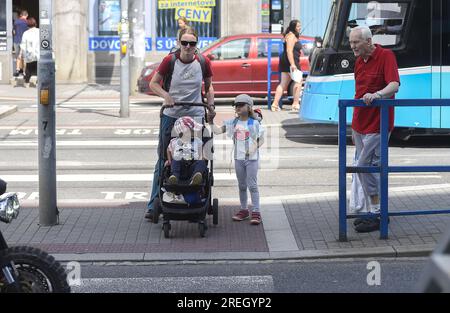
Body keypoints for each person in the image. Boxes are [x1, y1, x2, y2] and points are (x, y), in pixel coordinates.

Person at [145, 27, 215, 221]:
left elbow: (209, 88)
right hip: (172, 115)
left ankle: (196, 200)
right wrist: (166, 95)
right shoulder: (170, 61)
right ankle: (153, 204)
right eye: (184, 43)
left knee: (198, 155)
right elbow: (154, 83)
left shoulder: (203, 62)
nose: (187, 47)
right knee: (164, 159)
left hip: (195, 114)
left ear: (196, 45)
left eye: (191, 44)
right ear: (178, 43)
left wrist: (210, 107)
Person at [349, 26, 400, 233]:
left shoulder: (386, 56)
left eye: (355, 42)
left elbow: (394, 85)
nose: (352, 46)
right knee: (365, 168)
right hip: (360, 123)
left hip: (378, 124)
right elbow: (358, 92)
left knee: (365, 167)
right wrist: (353, 126)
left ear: (368, 41)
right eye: (351, 42)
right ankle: (373, 211)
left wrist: (378, 94)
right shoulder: (359, 61)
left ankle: (379, 212)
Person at [213, 94, 265, 225]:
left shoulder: (254, 123)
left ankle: (256, 211)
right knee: (242, 185)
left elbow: (261, 139)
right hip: (238, 159)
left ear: (249, 107)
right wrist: (210, 121)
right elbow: (218, 131)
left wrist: (253, 148)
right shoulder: (233, 122)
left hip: (251, 159)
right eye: (236, 105)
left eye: (241, 105)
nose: (237, 107)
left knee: (252, 185)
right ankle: (244, 209)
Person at [271, 19, 303, 112]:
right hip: (291, 61)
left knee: (283, 84)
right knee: (298, 81)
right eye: (298, 26)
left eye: (300, 26)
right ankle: (296, 104)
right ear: (293, 27)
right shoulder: (291, 36)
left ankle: (275, 105)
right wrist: (293, 64)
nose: (299, 28)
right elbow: (289, 51)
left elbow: (293, 49)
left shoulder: (291, 35)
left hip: (286, 61)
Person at [166, 116, 206, 186]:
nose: (195, 131)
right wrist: (169, 160)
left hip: (192, 165)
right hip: (180, 167)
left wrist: (201, 157)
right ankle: (175, 177)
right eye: (193, 130)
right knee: (175, 160)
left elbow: (201, 150)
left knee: (201, 162)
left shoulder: (198, 141)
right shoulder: (174, 142)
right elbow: (168, 150)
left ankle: (195, 177)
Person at [20, 17, 39, 87]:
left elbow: (23, 45)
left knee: (28, 69)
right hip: (38, 54)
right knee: (39, 69)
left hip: (29, 54)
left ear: (27, 25)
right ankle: (38, 83)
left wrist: (22, 54)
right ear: (35, 24)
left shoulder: (26, 33)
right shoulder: (39, 31)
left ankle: (27, 83)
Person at [12, 10, 28, 77]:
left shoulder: (16, 22)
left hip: (16, 41)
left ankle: (18, 70)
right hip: (23, 42)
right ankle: (24, 72)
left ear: (21, 15)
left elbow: (13, 31)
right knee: (24, 57)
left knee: (18, 56)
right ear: (26, 15)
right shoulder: (26, 22)